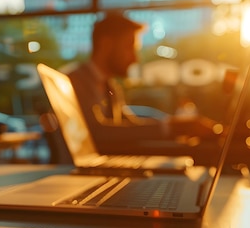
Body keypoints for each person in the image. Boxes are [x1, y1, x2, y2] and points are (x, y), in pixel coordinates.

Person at [67, 13, 215, 145]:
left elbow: (131, 126)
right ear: (106, 44)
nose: (134, 59)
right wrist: (175, 127)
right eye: (129, 47)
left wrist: (178, 127)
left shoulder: (110, 87)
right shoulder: (73, 82)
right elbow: (95, 133)